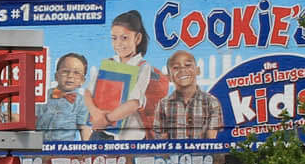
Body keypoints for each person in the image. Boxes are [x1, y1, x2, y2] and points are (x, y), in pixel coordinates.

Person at [87, 10, 167, 141]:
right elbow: (88, 92)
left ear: (137, 38)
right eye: (114, 38)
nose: (118, 43)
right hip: (101, 132)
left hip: (130, 138)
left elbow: (135, 102)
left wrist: (106, 119)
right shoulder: (109, 63)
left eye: (124, 38)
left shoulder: (142, 67)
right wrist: (96, 114)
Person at [151, 48, 225, 140]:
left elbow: (211, 140)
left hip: (203, 154)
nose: (182, 70)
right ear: (169, 77)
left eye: (188, 65)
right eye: (175, 67)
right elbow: (162, 140)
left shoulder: (211, 102)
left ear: (197, 70)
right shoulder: (163, 104)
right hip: (173, 153)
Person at [36, 51, 95, 140]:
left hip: (63, 149)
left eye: (76, 73)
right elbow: (34, 119)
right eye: (65, 71)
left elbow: (84, 128)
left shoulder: (81, 102)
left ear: (82, 81)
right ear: (56, 76)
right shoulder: (44, 95)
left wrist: (87, 151)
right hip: (40, 146)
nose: (70, 76)